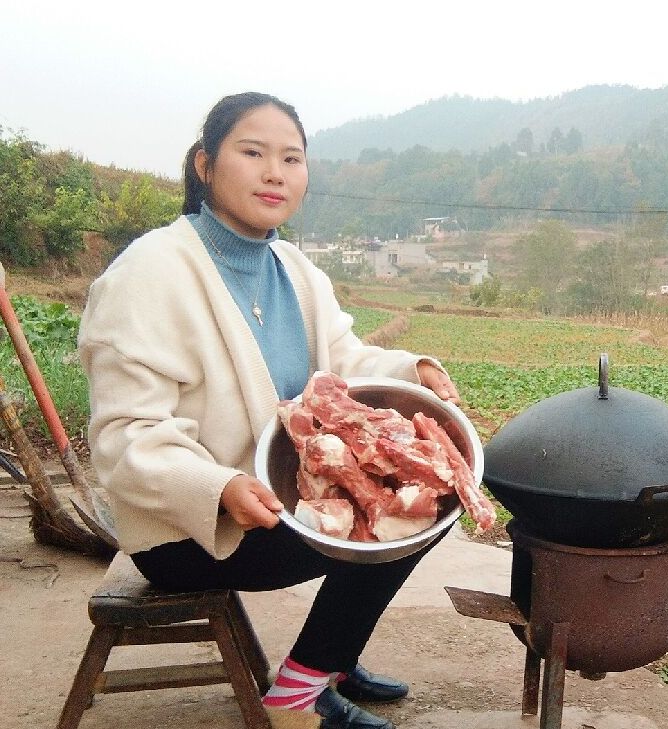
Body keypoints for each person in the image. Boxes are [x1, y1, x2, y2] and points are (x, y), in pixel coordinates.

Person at [77, 91, 460, 729]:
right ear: (204, 165)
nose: (274, 172)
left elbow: (344, 360)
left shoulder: (294, 268)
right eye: (252, 153)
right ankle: (300, 693)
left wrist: (411, 371)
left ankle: (330, 657)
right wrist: (220, 484)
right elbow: (125, 437)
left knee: (429, 503)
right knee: (387, 526)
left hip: (276, 496)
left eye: (291, 158)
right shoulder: (149, 274)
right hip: (191, 527)